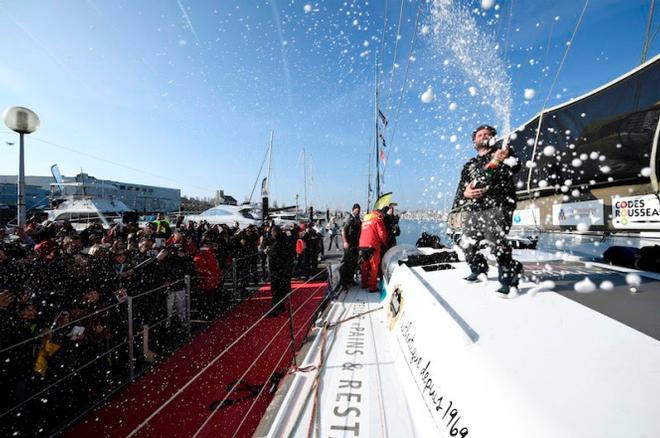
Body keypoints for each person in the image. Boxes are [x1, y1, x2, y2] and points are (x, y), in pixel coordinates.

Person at [452, 124, 523, 297]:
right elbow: (462, 189)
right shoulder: (469, 165)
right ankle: (479, 269)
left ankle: (509, 278)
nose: (483, 136)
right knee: (466, 243)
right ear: (474, 141)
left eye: (487, 134)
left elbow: (516, 167)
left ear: (493, 138)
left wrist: (503, 157)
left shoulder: (504, 153)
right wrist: (465, 194)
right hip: (475, 209)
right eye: (479, 135)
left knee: (495, 240)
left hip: (499, 206)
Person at [358, 207, 388, 292]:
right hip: (373, 246)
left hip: (362, 246)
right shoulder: (377, 220)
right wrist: (384, 243)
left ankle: (364, 283)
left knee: (365, 265)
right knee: (374, 266)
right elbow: (382, 235)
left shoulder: (365, 221)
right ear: (379, 214)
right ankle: (372, 287)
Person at [267, 226, 294, 315]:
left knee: (276, 291)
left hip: (278, 271)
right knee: (281, 291)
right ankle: (280, 307)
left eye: (272, 232)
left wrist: (269, 252)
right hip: (284, 270)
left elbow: (275, 255)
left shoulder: (278, 244)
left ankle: (276, 309)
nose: (271, 233)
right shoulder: (285, 241)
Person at [340, 203, 361, 288]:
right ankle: (344, 282)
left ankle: (351, 280)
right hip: (349, 243)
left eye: (359, 211)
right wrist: (345, 242)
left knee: (354, 263)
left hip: (355, 244)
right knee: (347, 263)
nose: (358, 212)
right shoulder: (349, 219)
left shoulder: (358, 219)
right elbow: (343, 230)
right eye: (356, 210)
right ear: (353, 210)